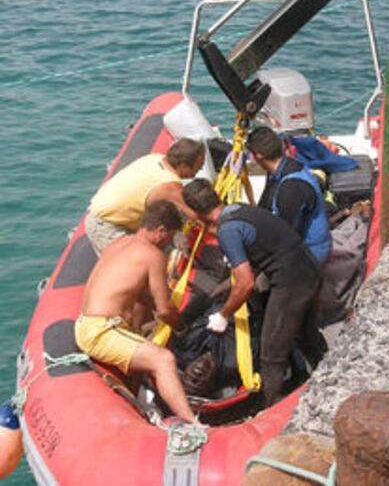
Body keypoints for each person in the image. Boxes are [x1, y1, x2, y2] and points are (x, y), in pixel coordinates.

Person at [182, 179, 326, 407]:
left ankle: (269, 408)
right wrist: (220, 293)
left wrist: (223, 315)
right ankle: (328, 377)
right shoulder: (239, 210)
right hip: (308, 267)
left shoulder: (227, 230)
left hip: (291, 281)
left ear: (197, 213)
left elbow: (246, 283)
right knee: (306, 333)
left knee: (271, 354)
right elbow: (260, 254)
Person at [75, 200, 196, 423]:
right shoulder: (152, 255)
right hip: (101, 331)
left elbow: (142, 297)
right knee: (164, 360)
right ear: (161, 231)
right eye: (169, 237)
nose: (169, 243)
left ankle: (142, 406)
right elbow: (164, 309)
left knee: (144, 345)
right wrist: (182, 329)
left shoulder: (119, 242)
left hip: (86, 323)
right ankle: (193, 423)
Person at [85, 138, 206, 254]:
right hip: (106, 225)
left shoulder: (155, 158)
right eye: (198, 166)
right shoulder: (169, 185)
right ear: (183, 166)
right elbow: (197, 217)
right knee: (134, 266)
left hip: (103, 209)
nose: (199, 171)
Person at [246, 127, 332, 264]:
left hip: (311, 256)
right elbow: (264, 208)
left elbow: (286, 236)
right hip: (301, 244)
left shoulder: (291, 187)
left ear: (258, 156)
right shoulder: (283, 168)